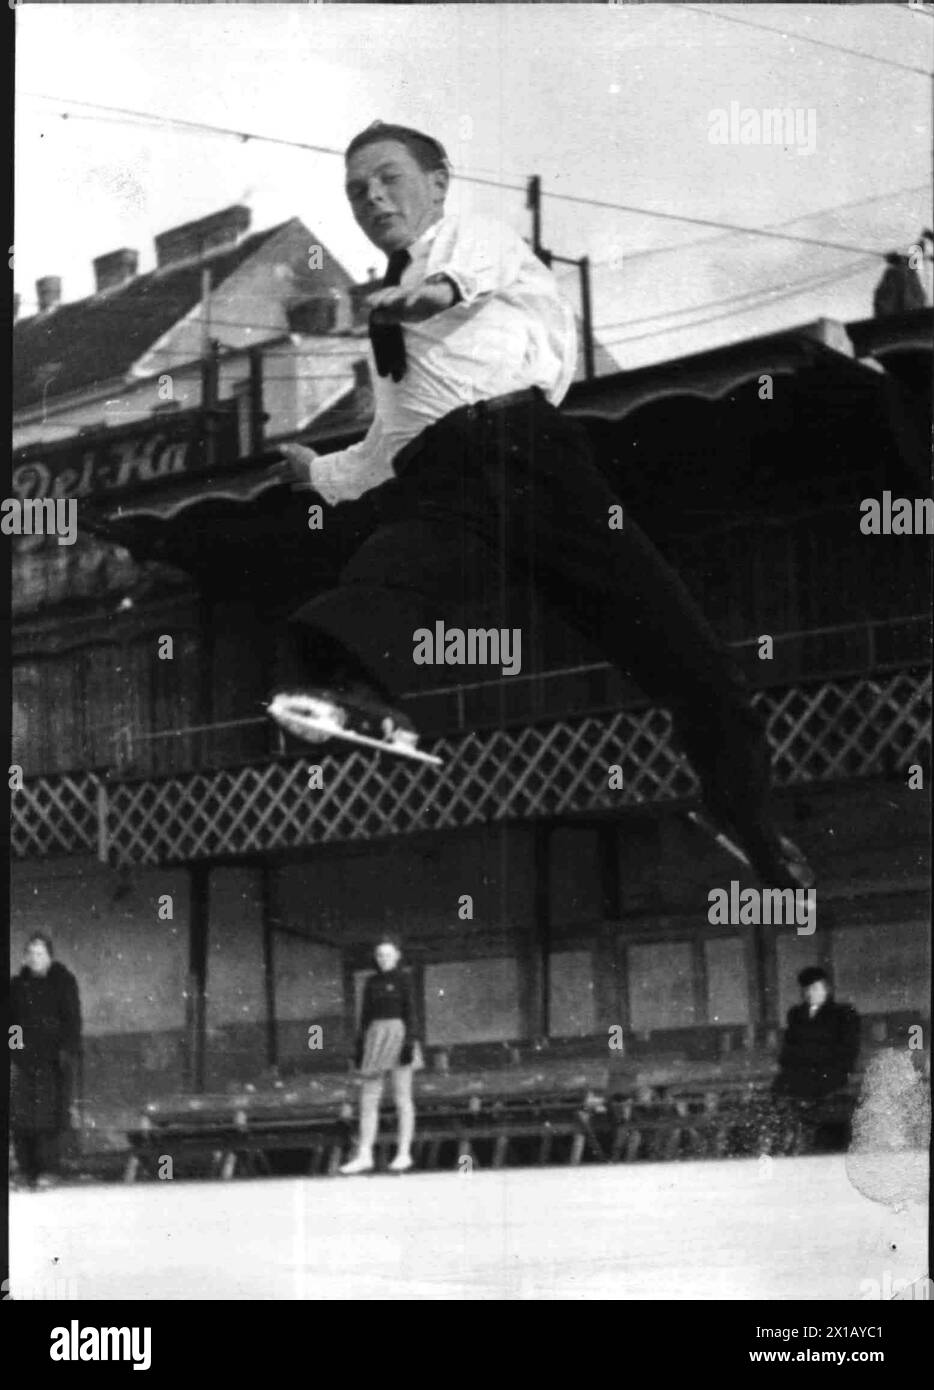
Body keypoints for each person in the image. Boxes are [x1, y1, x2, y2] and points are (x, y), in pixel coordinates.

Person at [272, 119, 813, 891]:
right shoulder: (385, 330)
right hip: (445, 473)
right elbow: (391, 440)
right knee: (390, 572)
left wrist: (418, 296)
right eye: (358, 191)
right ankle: (346, 691)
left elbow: (458, 280)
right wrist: (320, 472)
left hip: (533, 462)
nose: (374, 197)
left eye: (389, 177)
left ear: (438, 180)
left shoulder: (474, 237)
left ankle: (746, 816)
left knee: (679, 645)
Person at [341, 938, 422, 1175]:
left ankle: (404, 1153)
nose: (383, 959)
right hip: (374, 1037)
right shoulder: (371, 982)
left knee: (402, 1098)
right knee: (368, 1099)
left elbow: (411, 1012)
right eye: (379, 955)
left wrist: (409, 1042)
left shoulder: (405, 979)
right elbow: (364, 1016)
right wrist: (359, 1046)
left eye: (388, 954)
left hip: (399, 1035)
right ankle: (364, 1154)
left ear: (397, 955)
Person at [9, 934, 83, 1190]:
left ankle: (48, 1170)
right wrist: (15, 1052)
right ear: (25, 957)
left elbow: (72, 1019)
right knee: (20, 1118)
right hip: (23, 1061)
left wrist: (66, 1051)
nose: (35, 958)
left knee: (49, 1117)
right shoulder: (17, 986)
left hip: (53, 1062)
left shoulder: (63, 982)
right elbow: (11, 1022)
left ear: (50, 956)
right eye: (30, 953)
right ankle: (24, 1170)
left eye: (40, 953)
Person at [768, 965, 860, 1153]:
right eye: (807, 989)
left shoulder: (843, 1013)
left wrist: (827, 1062)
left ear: (827, 989)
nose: (811, 993)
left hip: (830, 1070)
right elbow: (789, 1046)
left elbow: (848, 1048)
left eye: (816, 988)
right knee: (780, 1088)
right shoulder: (796, 1014)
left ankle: (805, 1136)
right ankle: (788, 1138)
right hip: (801, 1070)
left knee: (810, 1091)